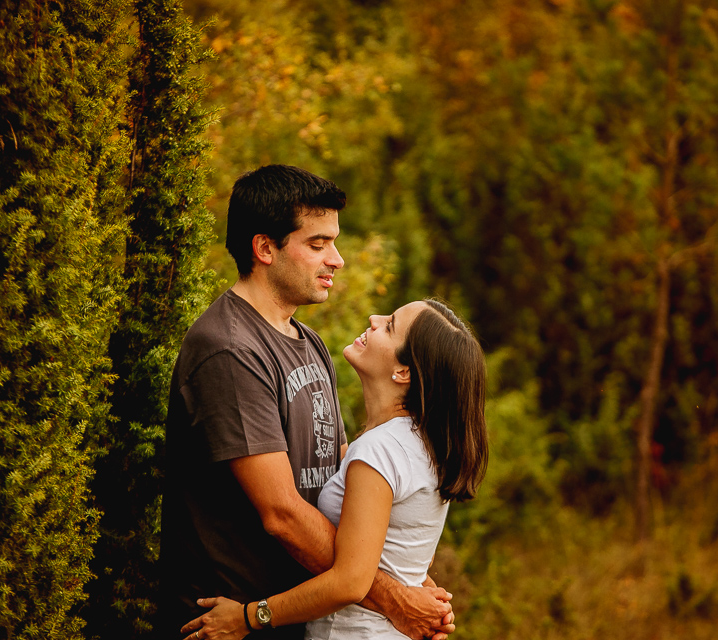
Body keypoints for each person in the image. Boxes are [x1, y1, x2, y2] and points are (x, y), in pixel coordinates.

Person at [158, 165, 455, 640]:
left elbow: (336, 467)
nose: (336, 259)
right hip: (228, 621)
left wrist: (407, 573)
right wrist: (393, 597)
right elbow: (282, 514)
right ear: (265, 249)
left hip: (296, 615)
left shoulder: (307, 341)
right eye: (318, 244)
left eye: (333, 243)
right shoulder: (230, 349)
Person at [178, 298, 489, 640]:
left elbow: (350, 582)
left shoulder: (381, 449)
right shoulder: (420, 446)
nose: (373, 318)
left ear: (404, 372)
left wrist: (249, 617)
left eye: (390, 326)